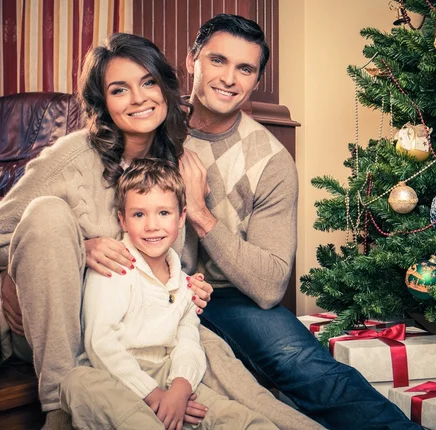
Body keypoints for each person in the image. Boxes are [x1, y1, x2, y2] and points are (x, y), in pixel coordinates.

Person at [0, 32, 321, 430]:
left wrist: (191, 283)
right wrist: (73, 249)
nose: (138, 99)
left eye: (148, 82)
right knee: (48, 214)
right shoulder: (69, 158)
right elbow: (16, 231)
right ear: (103, 102)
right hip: (63, 330)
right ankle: (60, 408)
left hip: (148, 326)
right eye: (120, 89)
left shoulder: (181, 163)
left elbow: (175, 260)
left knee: (233, 379)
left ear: (166, 89)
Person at [181, 13, 423, 430]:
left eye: (245, 68)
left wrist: (201, 215)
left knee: (307, 366)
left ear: (256, 80)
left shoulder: (271, 160)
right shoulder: (148, 125)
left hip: (232, 296)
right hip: (156, 290)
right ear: (192, 60)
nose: (229, 78)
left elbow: (270, 283)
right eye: (217, 60)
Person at [60, 158, 277, 430]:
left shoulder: (185, 284)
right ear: (123, 220)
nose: (152, 225)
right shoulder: (114, 268)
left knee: (241, 420)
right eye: (139, 215)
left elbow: (188, 342)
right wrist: (154, 396)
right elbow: (101, 345)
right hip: (115, 376)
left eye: (163, 213)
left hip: (168, 374)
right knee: (77, 382)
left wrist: (179, 390)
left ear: (182, 216)